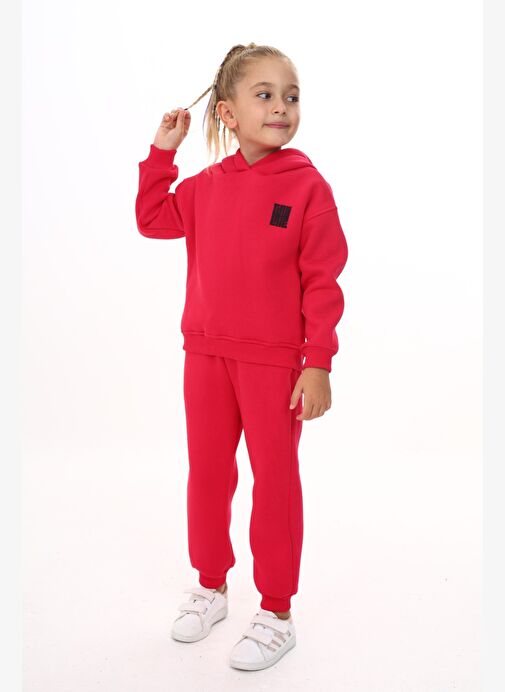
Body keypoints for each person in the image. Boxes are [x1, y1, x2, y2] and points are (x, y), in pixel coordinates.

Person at [135, 42, 348, 671]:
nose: (281, 107)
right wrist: (163, 152)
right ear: (227, 112)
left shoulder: (308, 188)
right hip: (205, 355)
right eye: (265, 95)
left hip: (275, 364)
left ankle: (277, 612)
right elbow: (152, 219)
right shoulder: (204, 188)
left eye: (291, 96)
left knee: (274, 482)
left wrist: (317, 361)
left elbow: (323, 282)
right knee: (208, 473)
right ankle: (211, 585)